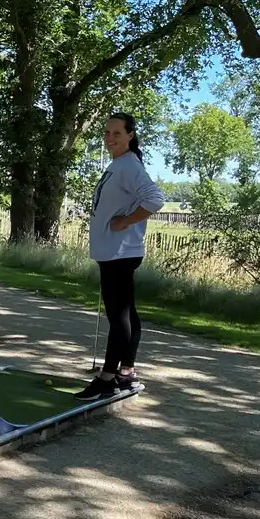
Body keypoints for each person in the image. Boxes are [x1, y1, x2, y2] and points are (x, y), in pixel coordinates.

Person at [76, 112, 165, 400]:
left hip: (121, 253)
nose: (110, 138)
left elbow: (154, 199)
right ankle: (126, 372)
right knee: (127, 314)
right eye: (107, 133)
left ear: (130, 135)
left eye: (117, 133)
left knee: (119, 316)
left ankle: (107, 377)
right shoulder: (119, 165)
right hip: (112, 252)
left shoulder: (129, 166)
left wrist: (126, 221)